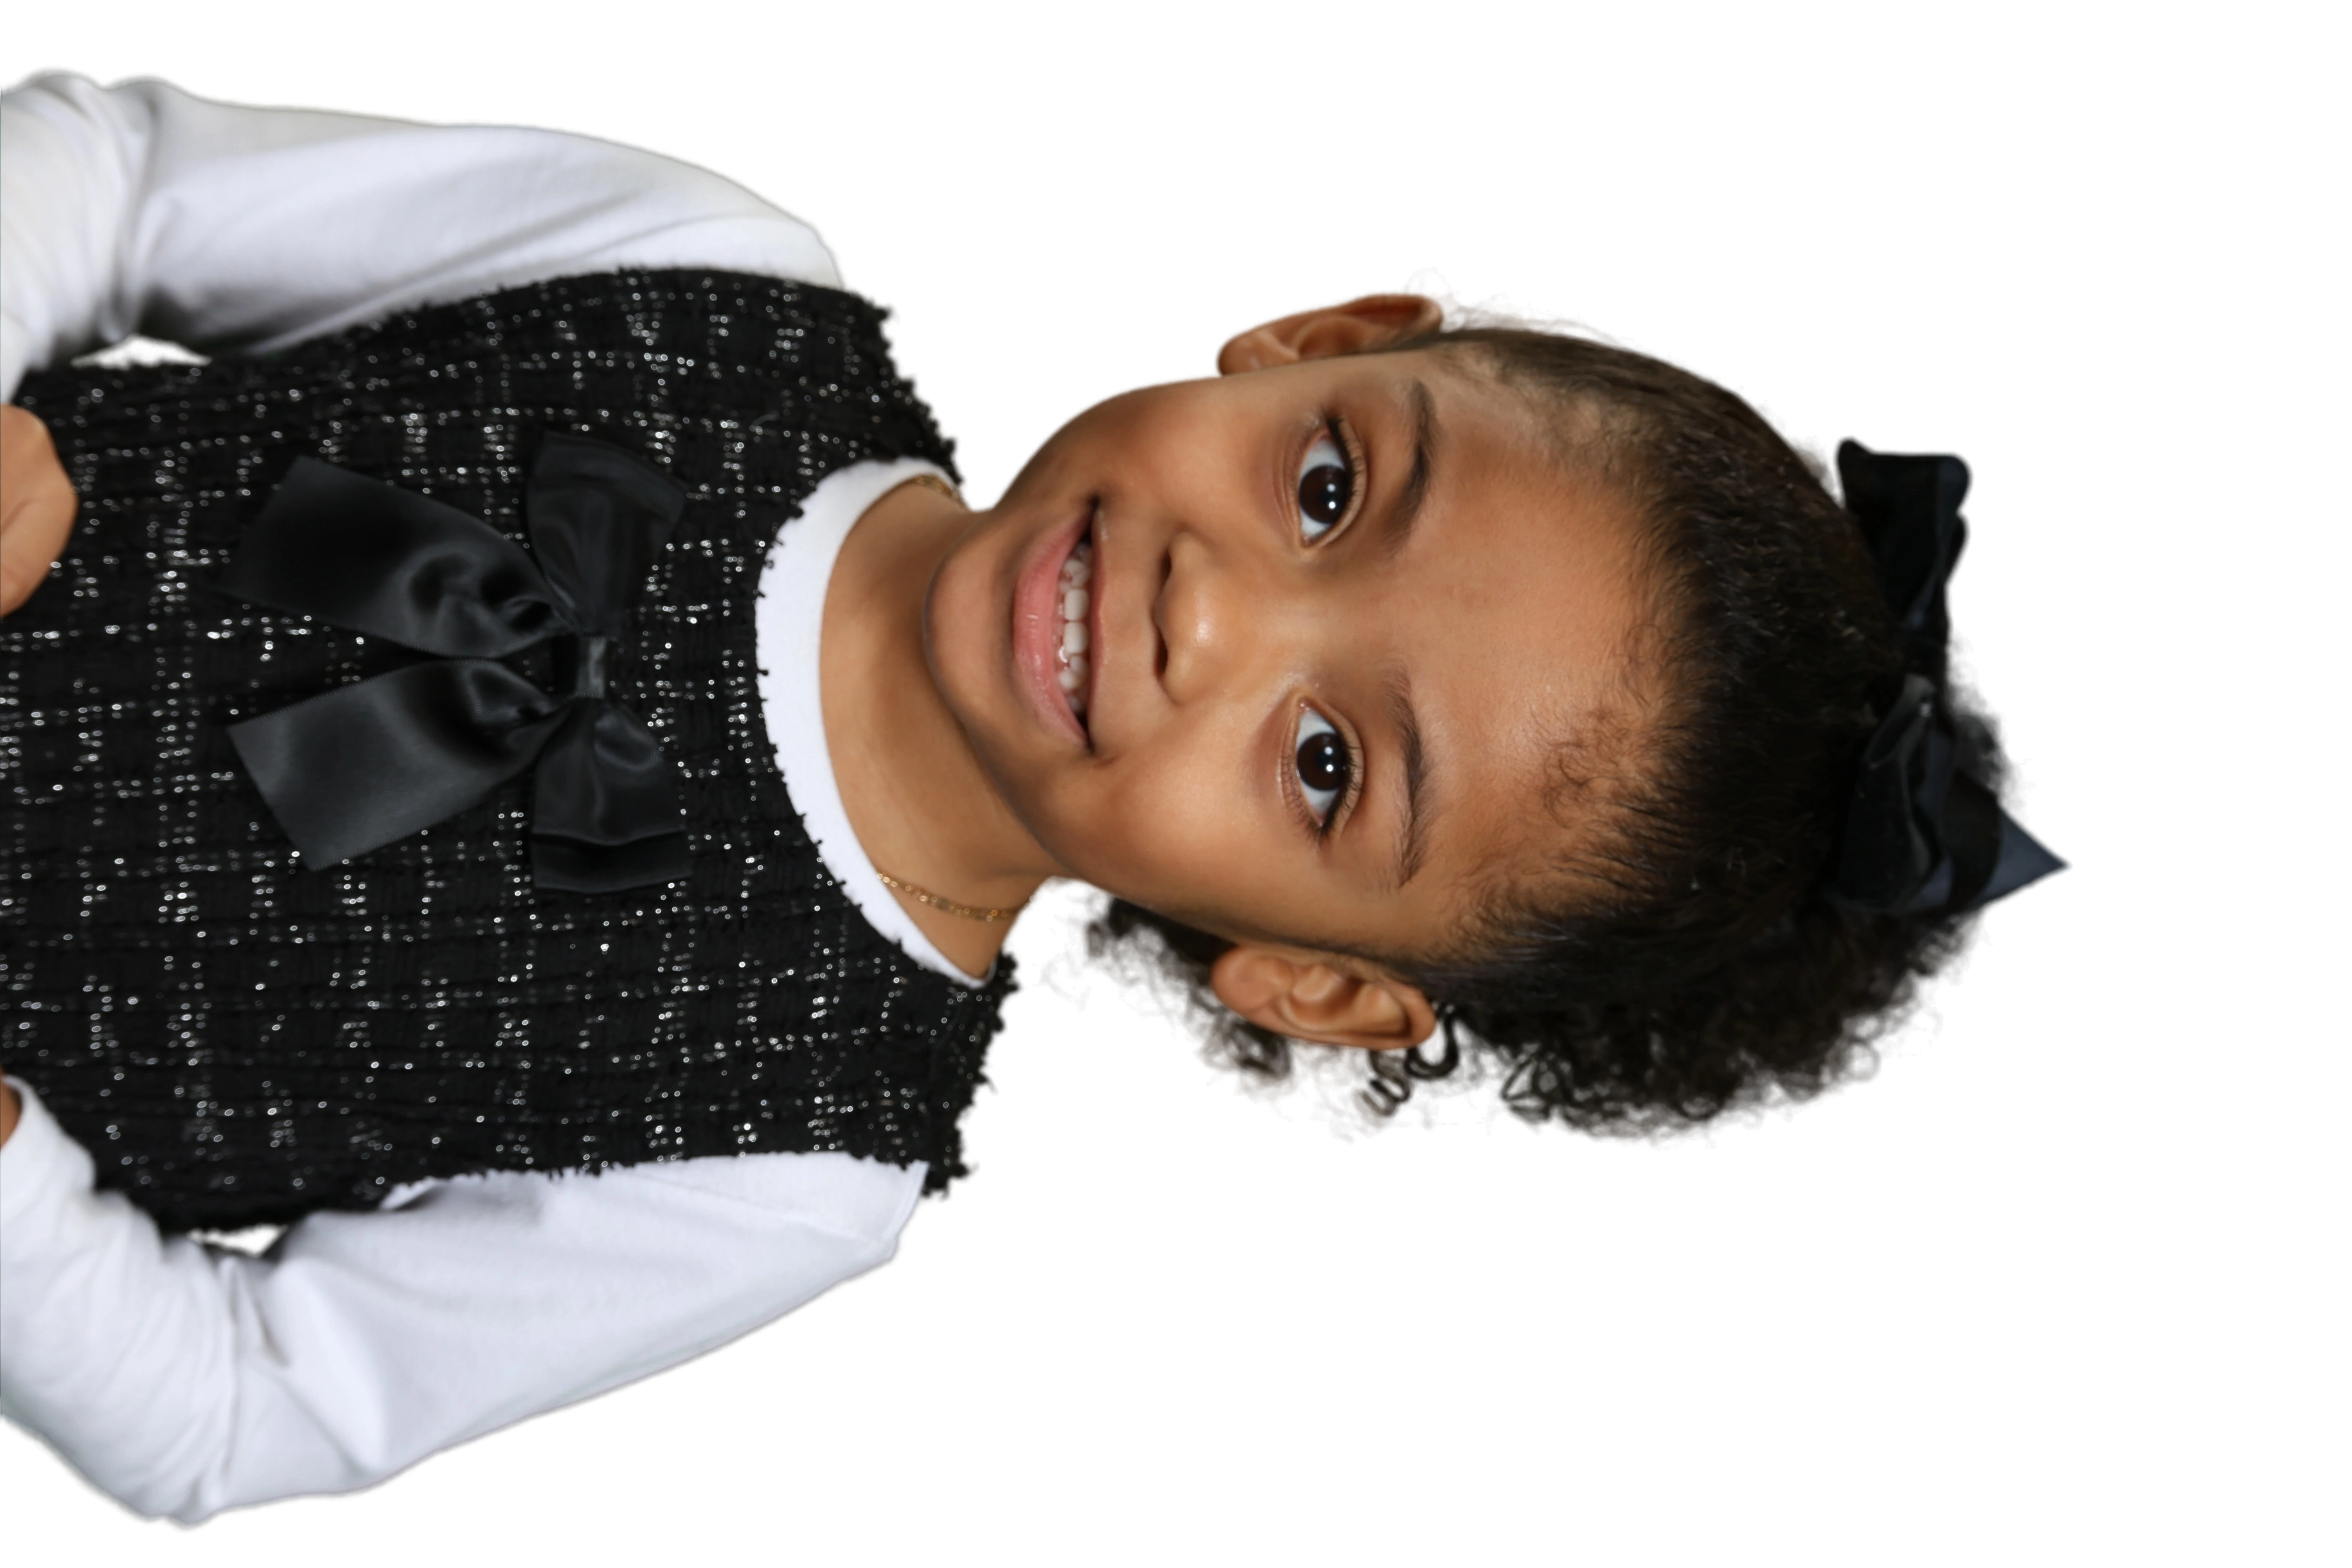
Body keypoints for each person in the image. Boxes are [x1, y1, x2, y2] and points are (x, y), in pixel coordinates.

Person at [0, 66, 2069, 1533]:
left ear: (1321, 982)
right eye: (1328, 487)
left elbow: (235, 1411)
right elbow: (116, 177)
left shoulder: (795, 1154)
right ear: (1332, 335)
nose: (1209, 612)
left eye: (1327, 764)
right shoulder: (711, 279)